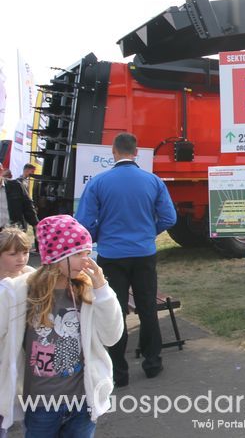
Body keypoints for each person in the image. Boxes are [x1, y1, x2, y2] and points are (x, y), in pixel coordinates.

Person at [0, 215, 123, 437]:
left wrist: (103, 290)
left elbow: (111, 337)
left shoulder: (87, 292)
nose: (86, 261)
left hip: (82, 403)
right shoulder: (20, 293)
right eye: (78, 254)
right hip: (41, 405)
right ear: (57, 257)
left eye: (87, 253)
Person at [75, 132, 176, 387]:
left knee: (115, 311)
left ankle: (118, 371)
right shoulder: (153, 181)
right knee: (147, 308)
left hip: (111, 255)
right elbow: (169, 217)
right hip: (144, 253)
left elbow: (84, 223)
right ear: (136, 151)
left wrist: (101, 234)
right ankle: (153, 363)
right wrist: (147, 233)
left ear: (114, 151)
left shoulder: (98, 182)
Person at [0, 228, 34, 438]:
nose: (20, 259)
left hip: (26, 357)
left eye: (25, 252)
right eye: (12, 254)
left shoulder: (32, 278)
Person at [0, 164, 38, 232]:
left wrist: (35, 225)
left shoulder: (15, 185)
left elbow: (28, 206)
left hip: (14, 231)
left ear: (1, 171)